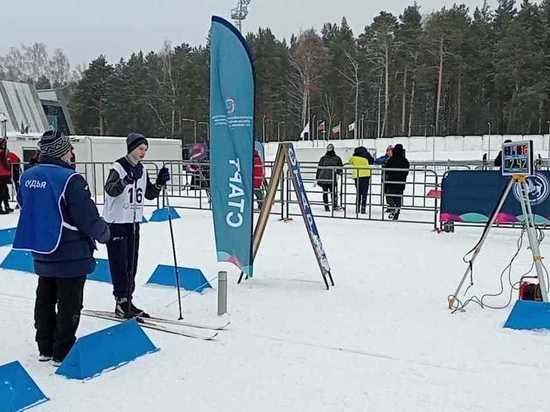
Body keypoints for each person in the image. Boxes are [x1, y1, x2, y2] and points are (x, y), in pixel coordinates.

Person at [13, 130, 110, 365]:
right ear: (62, 152)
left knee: (45, 297)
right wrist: (105, 233)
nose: (71, 154)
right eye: (69, 149)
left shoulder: (28, 176)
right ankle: (62, 350)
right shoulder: (70, 179)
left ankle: (44, 347)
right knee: (70, 302)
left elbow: (23, 203)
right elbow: (86, 216)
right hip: (71, 251)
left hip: (42, 248)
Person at [103, 133, 170, 318]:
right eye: (140, 148)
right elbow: (110, 189)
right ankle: (121, 301)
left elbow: (149, 194)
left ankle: (128, 300)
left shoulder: (142, 169)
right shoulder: (118, 166)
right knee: (119, 264)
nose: (143, 153)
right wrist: (125, 180)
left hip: (133, 221)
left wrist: (159, 183)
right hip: (116, 221)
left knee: (132, 263)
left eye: (145, 150)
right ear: (131, 148)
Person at [383, 143, 409, 221]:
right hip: (401, 182)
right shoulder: (405, 160)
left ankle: (393, 207)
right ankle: (397, 211)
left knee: (390, 195)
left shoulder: (391, 159)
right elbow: (406, 171)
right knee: (398, 196)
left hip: (391, 181)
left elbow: (386, 169)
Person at [316, 143, 343, 211]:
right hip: (324, 177)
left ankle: (334, 205)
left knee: (333, 192)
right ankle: (326, 206)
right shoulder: (323, 158)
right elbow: (319, 168)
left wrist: (339, 173)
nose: (329, 149)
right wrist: (317, 178)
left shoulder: (337, 158)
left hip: (332, 178)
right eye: (328, 148)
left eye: (330, 148)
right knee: (325, 192)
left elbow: (340, 167)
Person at [348, 146, 371, 214]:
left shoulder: (353, 158)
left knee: (358, 192)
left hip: (357, 176)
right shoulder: (366, 157)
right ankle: (363, 207)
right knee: (364, 193)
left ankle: (357, 207)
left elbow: (350, 162)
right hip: (366, 175)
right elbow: (372, 161)